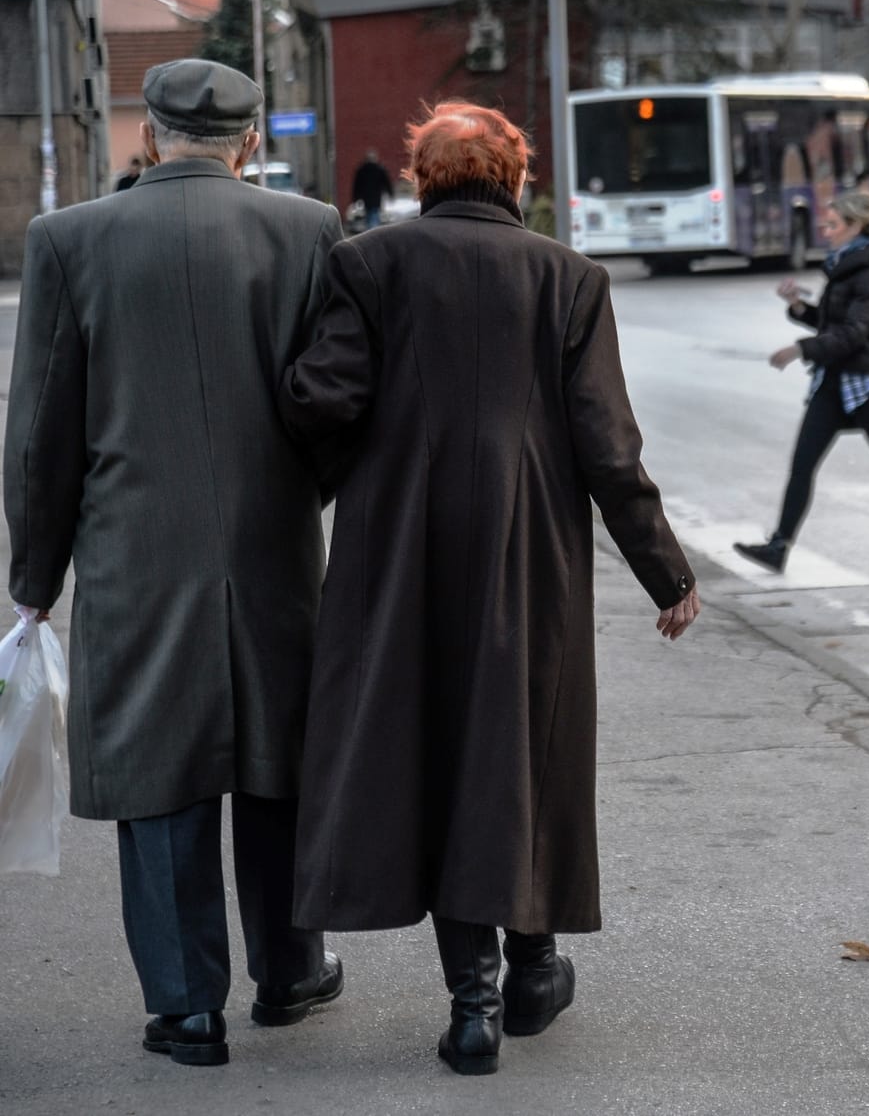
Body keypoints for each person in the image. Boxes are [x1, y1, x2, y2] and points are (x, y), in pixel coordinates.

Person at [278, 100, 701, 1077]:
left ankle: (473, 1007)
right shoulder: (570, 278)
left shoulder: (368, 265)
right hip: (530, 554)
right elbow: (607, 444)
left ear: (423, 179)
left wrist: (356, 462)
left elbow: (321, 398)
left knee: (427, 753)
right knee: (519, 744)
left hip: (398, 557)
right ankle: (534, 965)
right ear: (517, 178)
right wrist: (664, 569)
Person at [4, 58, 345, 1069]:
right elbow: (338, 399)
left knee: (161, 773)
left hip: (132, 551)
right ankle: (290, 973)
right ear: (249, 146)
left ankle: (187, 1007)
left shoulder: (68, 240)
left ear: (146, 138)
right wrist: (303, 498)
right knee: (279, 759)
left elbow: (38, 436)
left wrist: (36, 574)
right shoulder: (313, 231)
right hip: (276, 543)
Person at [733, 190, 869, 573]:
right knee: (803, 463)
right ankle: (779, 546)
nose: (825, 229)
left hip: (867, 383)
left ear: (854, 226)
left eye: (833, 224)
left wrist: (801, 350)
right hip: (833, 380)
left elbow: (854, 334)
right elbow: (833, 323)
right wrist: (800, 308)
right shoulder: (844, 264)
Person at [351, 148, 394, 227]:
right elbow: (386, 183)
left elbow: (357, 185)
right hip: (376, 197)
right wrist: (390, 193)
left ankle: (370, 230)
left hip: (366, 198)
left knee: (368, 214)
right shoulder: (379, 169)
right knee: (374, 214)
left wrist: (355, 198)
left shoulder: (362, 170)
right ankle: (373, 230)